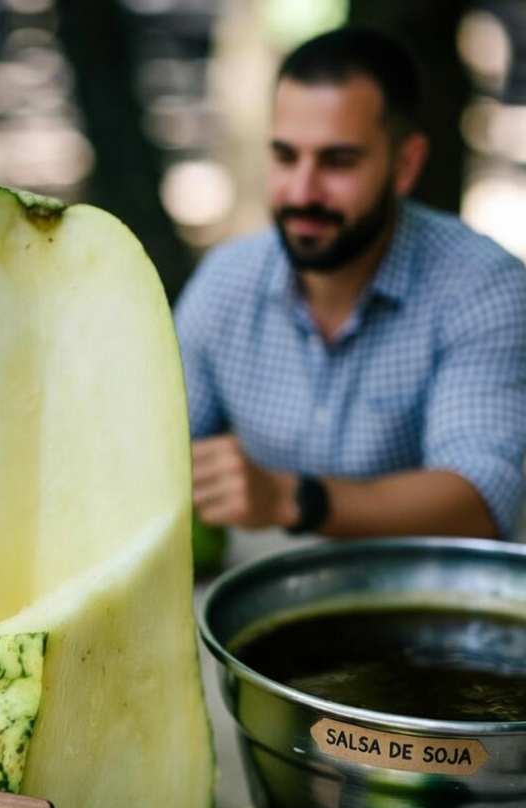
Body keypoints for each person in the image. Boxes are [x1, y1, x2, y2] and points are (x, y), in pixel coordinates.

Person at [175, 26, 526, 542]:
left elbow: (478, 499)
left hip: (430, 601)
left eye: (338, 161)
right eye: (285, 156)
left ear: (405, 166)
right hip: (265, 595)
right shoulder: (225, 282)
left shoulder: (483, 287)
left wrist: (288, 497)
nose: (302, 190)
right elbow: (154, 452)